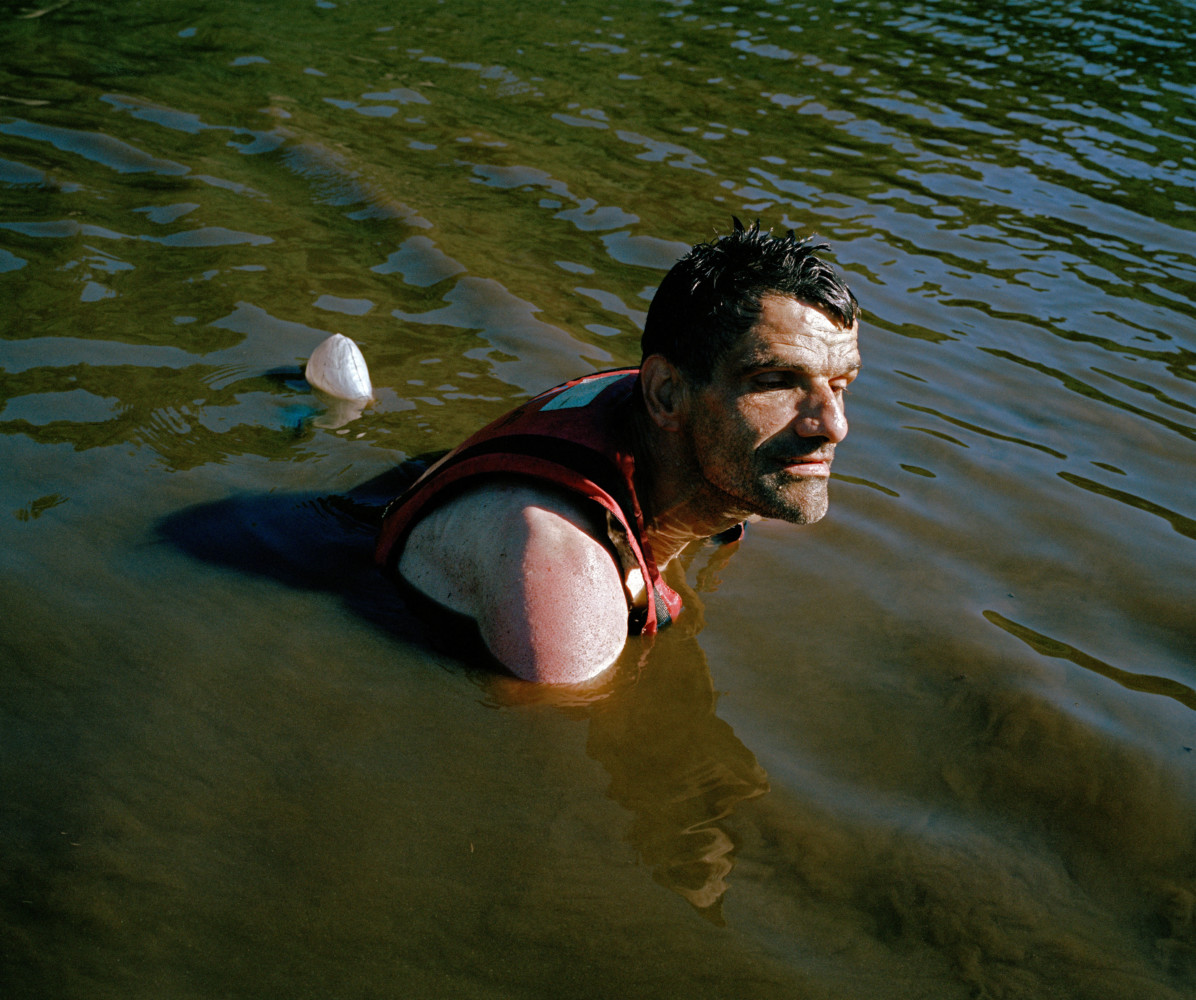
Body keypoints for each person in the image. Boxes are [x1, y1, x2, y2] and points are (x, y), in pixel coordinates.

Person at [375, 220, 861, 684]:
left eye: (840, 384)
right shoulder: (564, 576)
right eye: (775, 381)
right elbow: (545, 734)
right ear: (665, 394)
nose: (834, 426)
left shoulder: (719, 445)